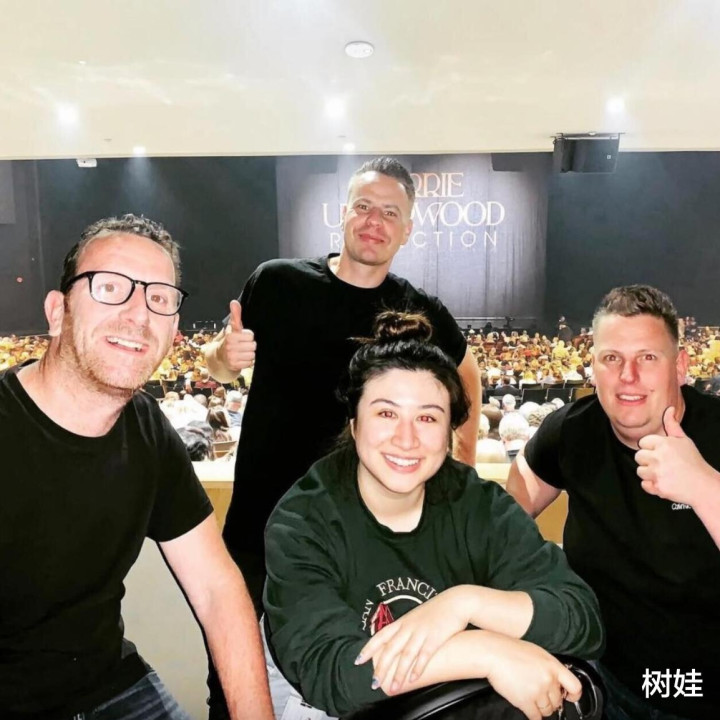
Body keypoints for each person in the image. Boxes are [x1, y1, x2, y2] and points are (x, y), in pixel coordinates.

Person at [263, 311, 604, 720]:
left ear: (448, 434)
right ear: (354, 424)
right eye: (386, 414)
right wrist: (487, 652)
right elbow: (334, 675)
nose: (406, 439)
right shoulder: (304, 519)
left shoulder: (478, 504)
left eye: (427, 418)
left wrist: (464, 604)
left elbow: (581, 618)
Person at [0, 214, 272, 720]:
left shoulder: (147, 428)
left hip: (109, 686)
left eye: (159, 298)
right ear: (57, 312)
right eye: (109, 288)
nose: (137, 314)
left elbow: (217, 588)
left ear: (173, 331)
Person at [203, 157, 481, 614]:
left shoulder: (417, 311)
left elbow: (467, 375)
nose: (374, 222)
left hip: (360, 537)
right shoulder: (276, 282)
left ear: (407, 230)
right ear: (344, 214)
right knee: (239, 653)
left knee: (345, 655)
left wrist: (460, 465)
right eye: (364, 207)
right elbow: (217, 363)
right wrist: (224, 357)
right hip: (262, 522)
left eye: (390, 213)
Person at [507, 285, 720, 720]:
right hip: (602, 684)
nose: (628, 376)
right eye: (611, 358)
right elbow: (506, 519)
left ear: (680, 366)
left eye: (648, 357)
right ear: (593, 367)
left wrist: (703, 486)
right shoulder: (570, 432)